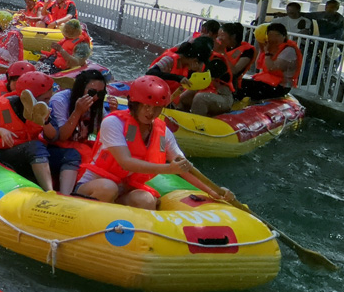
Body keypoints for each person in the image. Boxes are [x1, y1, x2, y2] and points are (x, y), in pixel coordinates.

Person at [76, 75, 232, 209]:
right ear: (134, 104)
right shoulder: (114, 123)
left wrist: (214, 192)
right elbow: (126, 162)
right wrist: (168, 168)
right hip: (94, 187)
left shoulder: (163, 133)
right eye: (145, 106)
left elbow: (184, 166)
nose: (150, 112)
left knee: (146, 200)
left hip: (125, 190)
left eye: (156, 108)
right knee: (108, 188)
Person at [0, 70, 56, 190]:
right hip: (4, 154)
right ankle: (49, 191)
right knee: (36, 146)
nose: (48, 102)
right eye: (45, 98)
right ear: (32, 98)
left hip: (28, 154)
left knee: (55, 152)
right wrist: (1, 131)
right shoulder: (6, 105)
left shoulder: (44, 108)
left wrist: (45, 121)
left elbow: (52, 137)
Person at [45, 68, 107, 194]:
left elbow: (93, 138)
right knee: (77, 154)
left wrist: (113, 114)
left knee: (98, 156)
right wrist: (77, 112)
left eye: (100, 94)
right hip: (55, 148)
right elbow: (62, 136)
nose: (95, 97)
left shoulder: (98, 107)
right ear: (80, 89)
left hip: (80, 147)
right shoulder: (60, 100)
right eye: (92, 92)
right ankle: (68, 194)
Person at [239, 22, 301, 101]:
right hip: (269, 83)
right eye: (271, 35)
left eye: (277, 35)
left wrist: (267, 52)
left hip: (280, 87)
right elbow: (258, 65)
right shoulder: (273, 47)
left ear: (284, 36)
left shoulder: (289, 50)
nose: (274, 38)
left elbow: (272, 68)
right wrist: (263, 47)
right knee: (239, 82)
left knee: (243, 85)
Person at [172, 41, 234, 117]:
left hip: (223, 97)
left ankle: (195, 123)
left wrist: (200, 70)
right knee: (182, 97)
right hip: (204, 92)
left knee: (200, 98)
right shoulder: (197, 63)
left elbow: (206, 80)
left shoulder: (216, 61)